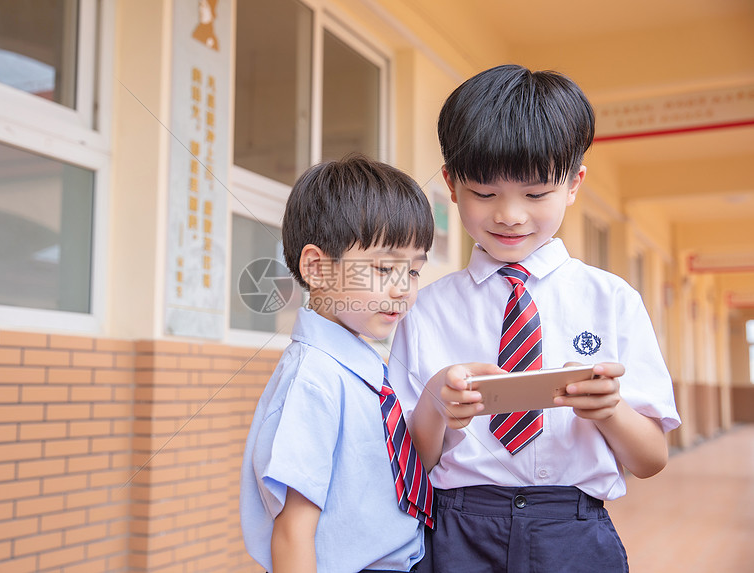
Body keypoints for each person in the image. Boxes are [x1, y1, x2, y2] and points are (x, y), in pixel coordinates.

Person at [387, 65, 681, 572]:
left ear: (573, 184)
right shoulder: (424, 310)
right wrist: (436, 402)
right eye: (484, 193)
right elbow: (411, 462)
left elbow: (650, 459)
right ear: (453, 186)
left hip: (574, 531)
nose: (510, 215)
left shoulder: (612, 300)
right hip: (458, 532)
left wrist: (610, 411)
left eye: (536, 193)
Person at [240, 155, 498, 572]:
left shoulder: (362, 365)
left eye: (414, 272)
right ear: (317, 267)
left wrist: (436, 400)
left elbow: (406, 462)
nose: (403, 290)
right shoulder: (315, 378)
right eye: (384, 268)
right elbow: (292, 532)